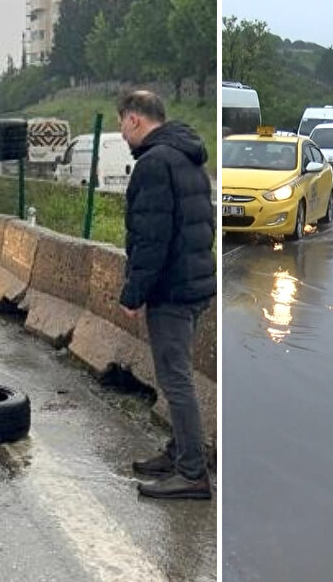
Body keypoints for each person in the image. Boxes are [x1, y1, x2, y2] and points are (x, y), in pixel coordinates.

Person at [117, 90, 216, 500]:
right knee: (178, 375)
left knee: (175, 380)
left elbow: (151, 237)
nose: (121, 131)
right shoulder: (187, 156)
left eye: (121, 122)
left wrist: (133, 292)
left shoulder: (155, 163)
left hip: (172, 290)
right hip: (194, 284)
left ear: (136, 119)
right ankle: (180, 453)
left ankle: (192, 472)